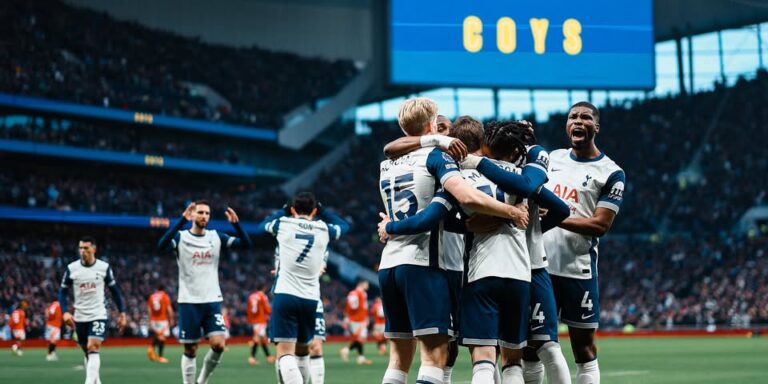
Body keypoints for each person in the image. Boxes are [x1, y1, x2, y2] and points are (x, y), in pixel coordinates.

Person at [377, 98, 532, 384]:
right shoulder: (437, 158)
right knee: (435, 356)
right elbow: (466, 197)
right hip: (427, 263)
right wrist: (511, 211)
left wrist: (392, 227)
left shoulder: (389, 163)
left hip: (390, 264)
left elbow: (391, 148)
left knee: (398, 360)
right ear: (431, 125)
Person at [543, 102, 626, 384]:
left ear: (596, 127)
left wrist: (555, 217)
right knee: (535, 346)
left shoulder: (611, 172)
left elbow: (600, 225)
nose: (577, 121)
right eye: (572, 117)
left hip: (578, 270)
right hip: (540, 268)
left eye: (585, 117)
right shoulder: (552, 159)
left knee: (584, 349)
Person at [157, 201, 252, 384]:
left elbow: (246, 245)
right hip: (189, 301)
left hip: (211, 300)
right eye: (200, 212)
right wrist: (180, 221)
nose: (204, 216)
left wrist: (236, 225)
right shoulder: (180, 237)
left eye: (207, 213)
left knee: (219, 344)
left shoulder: (216, 237)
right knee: (190, 349)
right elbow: (161, 245)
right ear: (192, 215)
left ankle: (202, 380)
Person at [260, 191, 350, 384]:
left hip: (286, 294)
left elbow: (263, 225)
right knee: (303, 352)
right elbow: (344, 226)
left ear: (292, 210)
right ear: (315, 210)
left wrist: (283, 210)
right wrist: (324, 211)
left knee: (285, 353)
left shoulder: (283, 224)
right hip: (310, 299)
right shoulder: (323, 228)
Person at [59, 236, 127, 384]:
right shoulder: (72, 268)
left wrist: (122, 313)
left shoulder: (104, 268)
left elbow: (115, 291)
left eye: (86, 248)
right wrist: (64, 312)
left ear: (94, 249)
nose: (82, 251)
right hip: (80, 316)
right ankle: (96, 380)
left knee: (93, 346)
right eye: (81, 248)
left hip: (98, 314)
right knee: (87, 351)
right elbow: (62, 292)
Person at [341, 280, 373, 365]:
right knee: (361, 338)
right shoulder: (354, 293)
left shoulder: (363, 293)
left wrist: (366, 317)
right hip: (355, 319)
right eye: (366, 284)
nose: (367, 285)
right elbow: (351, 305)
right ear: (361, 284)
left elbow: (364, 307)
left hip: (361, 319)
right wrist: (347, 316)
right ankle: (346, 350)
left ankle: (361, 358)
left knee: (361, 338)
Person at [247, 285, 274, 365]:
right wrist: (272, 314)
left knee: (262, 338)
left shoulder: (251, 296)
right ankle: (252, 357)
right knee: (257, 337)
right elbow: (267, 308)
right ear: (264, 288)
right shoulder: (262, 296)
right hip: (261, 320)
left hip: (254, 320)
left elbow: (249, 309)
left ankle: (268, 357)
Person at [147, 284, 174, 363]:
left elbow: (149, 309)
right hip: (162, 320)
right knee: (162, 337)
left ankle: (151, 348)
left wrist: (150, 320)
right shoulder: (165, 296)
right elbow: (169, 309)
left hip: (153, 320)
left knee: (158, 336)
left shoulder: (152, 297)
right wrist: (171, 319)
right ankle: (160, 356)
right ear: (163, 289)